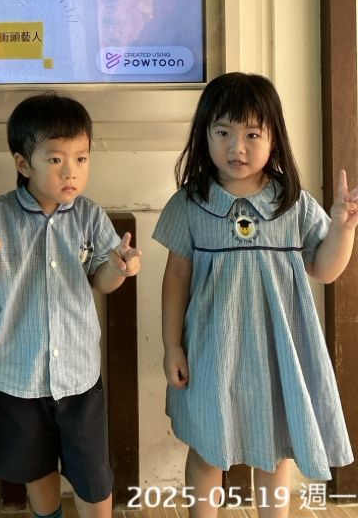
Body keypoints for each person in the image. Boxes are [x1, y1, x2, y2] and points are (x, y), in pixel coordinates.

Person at [153, 72, 357, 518]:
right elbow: (176, 278)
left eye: (251, 134)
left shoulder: (292, 201)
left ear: (273, 138)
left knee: (273, 453)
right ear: (204, 134)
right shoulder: (189, 203)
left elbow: (325, 270)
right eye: (223, 132)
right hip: (209, 354)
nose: (237, 147)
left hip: (275, 355)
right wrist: (171, 345)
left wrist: (342, 229)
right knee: (207, 450)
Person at [0, 92, 141, 518]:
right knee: (35, 467)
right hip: (16, 374)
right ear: (24, 163)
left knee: (92, 474)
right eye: (56, 159)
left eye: (81, 158)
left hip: (78, 375)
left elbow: (101, 281)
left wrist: (119, 268)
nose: (71, 171)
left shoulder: (90, 215)